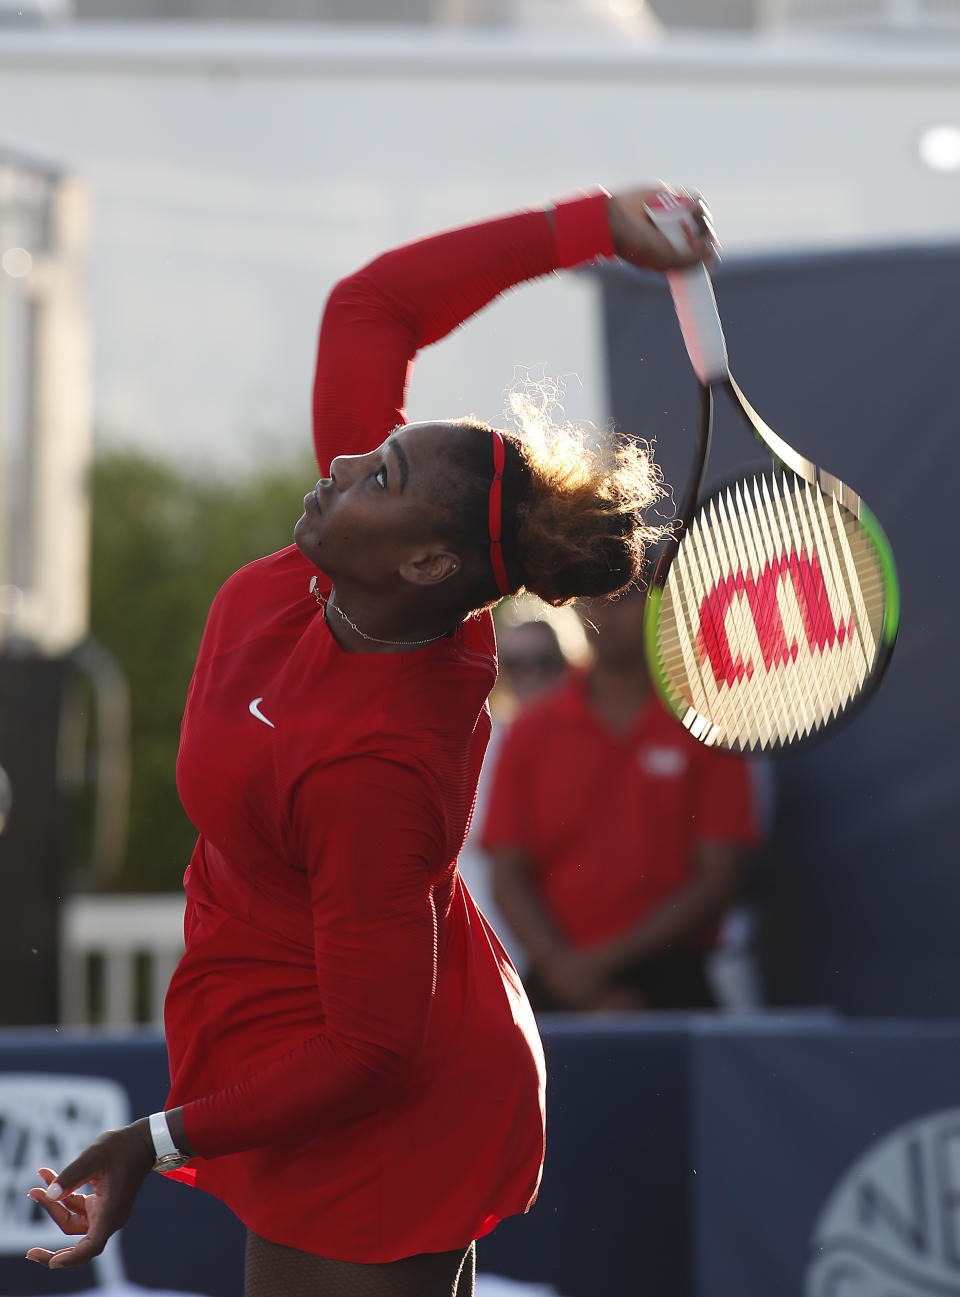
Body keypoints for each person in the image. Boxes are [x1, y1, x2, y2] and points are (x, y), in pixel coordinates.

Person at [26, 183, 715, 1296]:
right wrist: (596, 225)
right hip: (283, 1030)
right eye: (375, 453)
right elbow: (371, 305)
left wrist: (151, 1142)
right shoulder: (357, 561)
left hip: (378, 1099)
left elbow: (373, 1050)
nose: (345, 465)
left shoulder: (376, 767)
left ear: (431, 566)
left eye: (381, 472)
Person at [480, 582, 761, 1014]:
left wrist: (592, 968)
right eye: (594, 597)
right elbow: (506, 876)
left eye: (624, 598)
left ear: (660, 609)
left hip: (673, 979)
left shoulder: (708, 726)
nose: (606, 615)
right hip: (558, 980)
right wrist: (565, 970)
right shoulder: (532, 729)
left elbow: (717, 880)